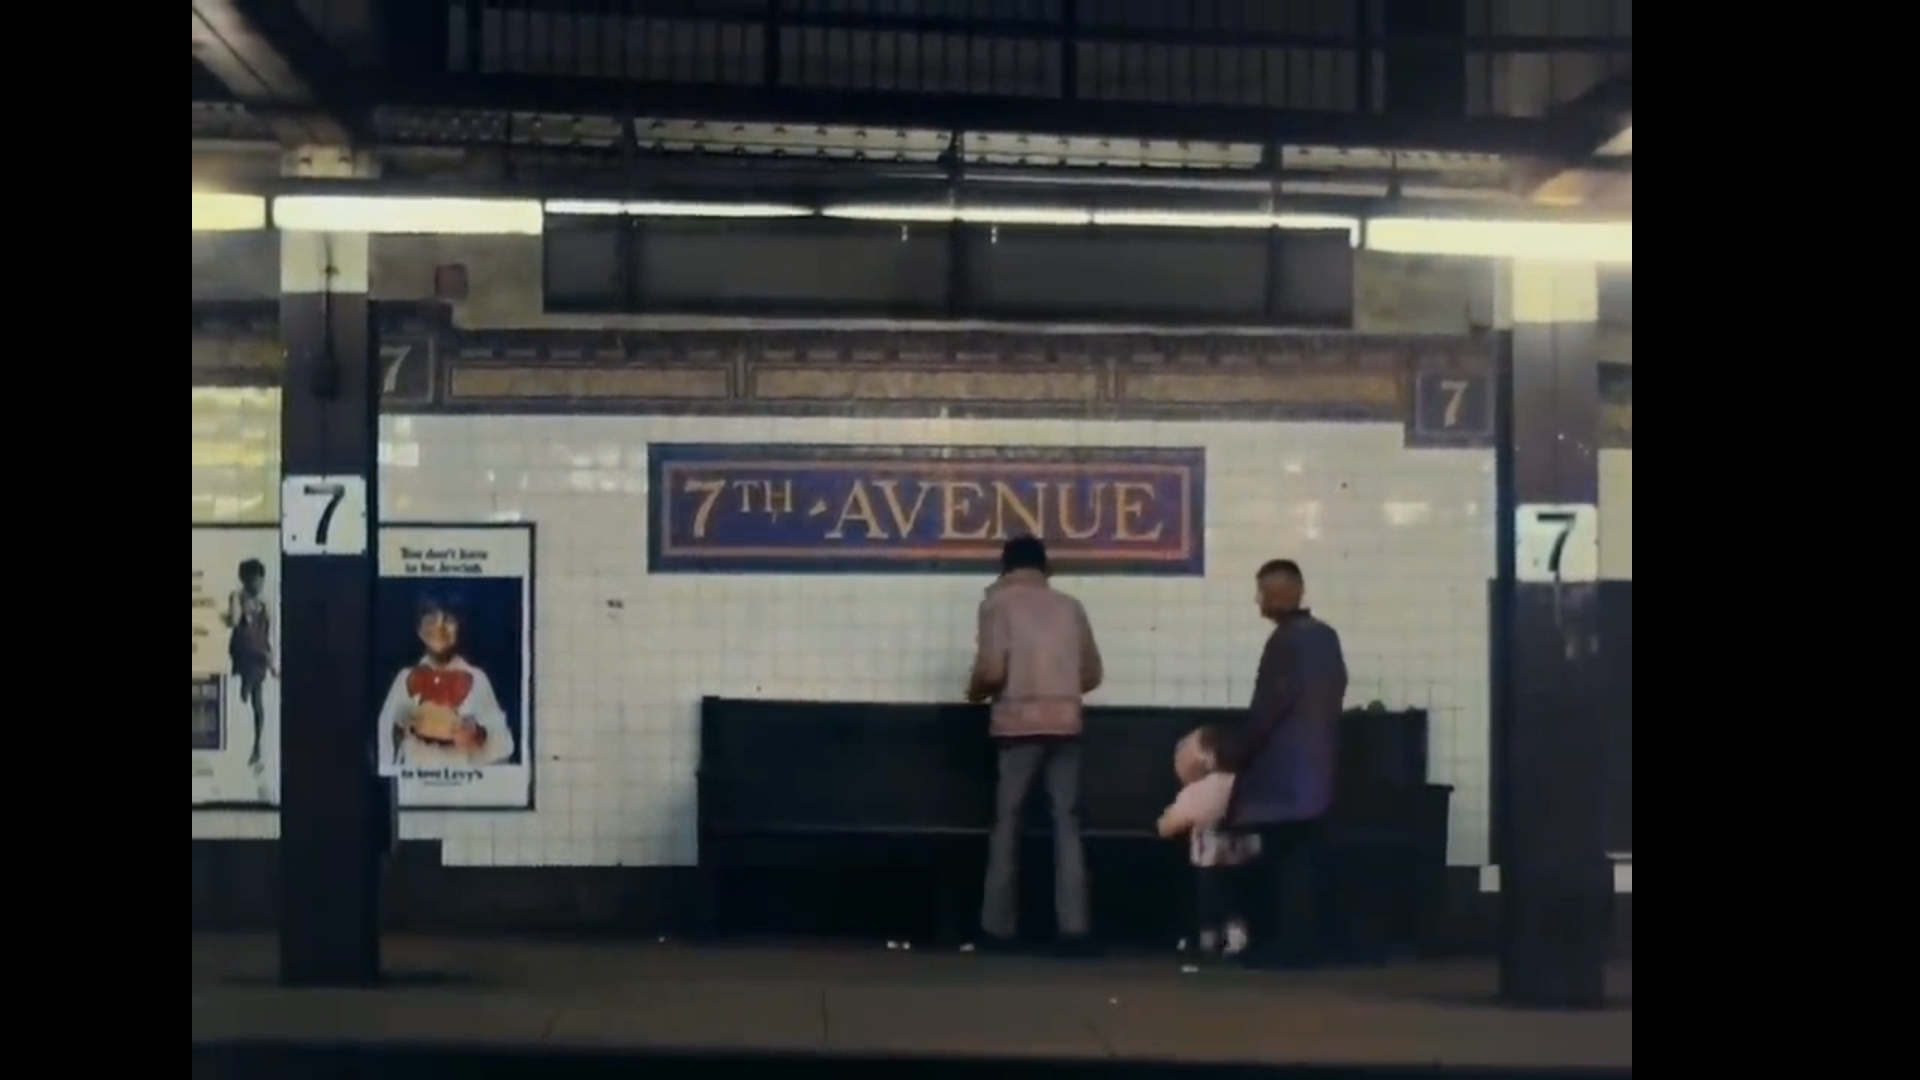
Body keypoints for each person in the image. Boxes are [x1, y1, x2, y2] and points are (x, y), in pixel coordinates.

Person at [967, 535, 1104, 956]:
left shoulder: (997, 605)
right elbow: (1092, 673)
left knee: (1008, 822)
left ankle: (998, 928)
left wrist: (974, 692)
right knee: (1067, 823)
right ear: (1045, 567)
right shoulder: (1070, 606)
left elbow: (992, 670)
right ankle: (1075, 930)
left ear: (1005, 566)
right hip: (1066, 724)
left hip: (1017, 727)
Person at [1218, 559, 1348, 969]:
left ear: (1281, 594)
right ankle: (1306, 944)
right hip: (1318, 766)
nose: (1258, 600)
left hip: (1282, 772)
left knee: (1282, 861)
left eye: (1263, 591)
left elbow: (1269, 708)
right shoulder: (1326, 636)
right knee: (1305, 857)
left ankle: (1284, 947)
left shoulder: (1286, 642)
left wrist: (1236, 752)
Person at [376, 594, 516, 773]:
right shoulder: (404, 679)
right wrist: (399, 729)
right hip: (416, 780)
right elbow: (385, 736)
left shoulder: (477, 679)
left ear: (461, 626)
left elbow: (502, 743)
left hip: (461, 780)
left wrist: (480, 735)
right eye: (431, 620)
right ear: (419, 631)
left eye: (448, 620)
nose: (439, 628)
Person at [1158, 724, 1261, 959]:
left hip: (1210, 859)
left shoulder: (1201, 789)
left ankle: (1209, 941)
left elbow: (1168, 825)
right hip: (1245, 856)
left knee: (1210, 901)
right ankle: (1237, 940)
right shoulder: (1246, 783)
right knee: (1236, 901)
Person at [222, 558, 276, 768]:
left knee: (257, 702)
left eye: (260, 581)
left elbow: (269, 631)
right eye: (253, 581)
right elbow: (235, 621)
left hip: (258, 652)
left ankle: (257, 746)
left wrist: (272, 661)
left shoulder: (265, 602)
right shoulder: (238, 596)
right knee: (253, 687)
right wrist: (237, 606)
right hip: (243, 648)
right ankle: (247, 682)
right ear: (245, 581)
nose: (257, 586)